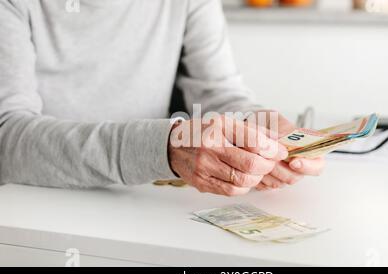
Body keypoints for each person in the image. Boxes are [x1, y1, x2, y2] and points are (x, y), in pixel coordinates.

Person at [0, 0, 325, 196]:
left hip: (143, 202)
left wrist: (268, 131)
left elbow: (221, 94)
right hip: (36, 205)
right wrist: (163, 149)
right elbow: (7, 136)